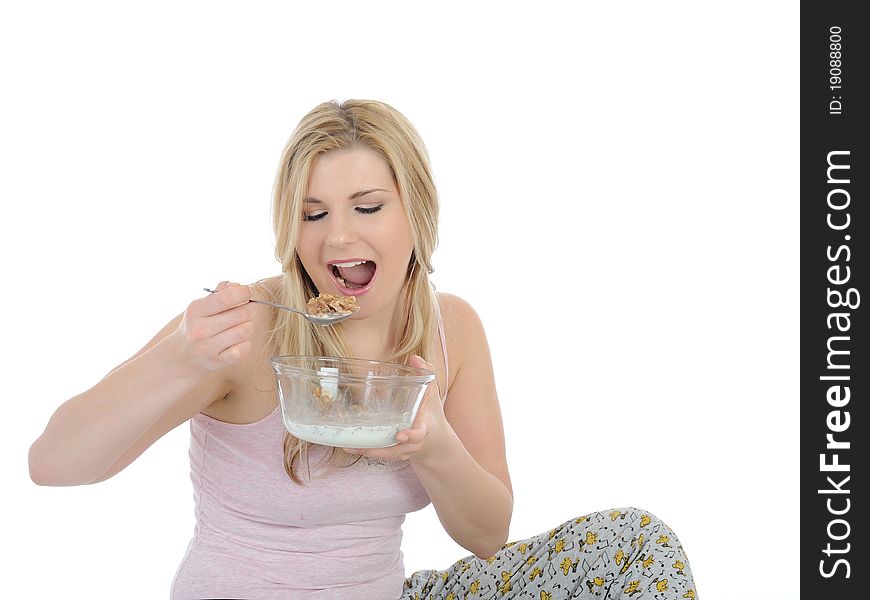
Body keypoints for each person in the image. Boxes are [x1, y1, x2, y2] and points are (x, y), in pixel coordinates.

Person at [28, 99, 699, 599]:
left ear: (417, 211)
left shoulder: (451, 329)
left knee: (634, 546)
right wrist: (176, 359)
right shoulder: (248, 325)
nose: (338, 238)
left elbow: (487, 534)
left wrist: (434, 446)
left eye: (368, 207)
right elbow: (52, 463)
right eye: (314, 214)